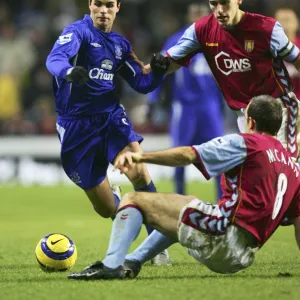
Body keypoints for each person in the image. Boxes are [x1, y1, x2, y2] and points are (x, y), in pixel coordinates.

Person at [67, 95, 300, 280]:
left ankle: (111, 264)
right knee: (187, 204)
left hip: (221, 237)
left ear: (251, 122)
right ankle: (132, 261)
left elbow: (189, 154)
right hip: (244, 255)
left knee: (133, 198)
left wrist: (140, 158)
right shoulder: (292, 166)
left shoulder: (248, 143)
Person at [46, 0, 170, 265]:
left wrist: (158, 73)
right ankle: (114, 200)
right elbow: (54, 59)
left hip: (111, 117)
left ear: (118, 7)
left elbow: (140, 82)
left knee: (139, 169)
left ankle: (157, 246)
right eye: (98, 4)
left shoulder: (119, 44)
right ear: (90, 5)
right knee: (106, 209)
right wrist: (68, 71)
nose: (103, 10)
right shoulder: (77, 32)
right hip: (76, 126)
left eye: (109, 5)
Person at [147, 0, 300, 159]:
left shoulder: (265, 28)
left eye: (225, 3)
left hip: (279, 109)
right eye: (214, 3)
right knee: (260, 173)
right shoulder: (202, 30)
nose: (219, 10)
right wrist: (157, 68)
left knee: (284, 169)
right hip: (245, 116)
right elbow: (170, 63)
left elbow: (297, 60)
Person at [148, 2, 224, 197]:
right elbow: (161, 69)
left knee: (218, 156)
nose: (197, 16)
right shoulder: (177, 39)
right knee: (179, 155)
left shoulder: (219, 38)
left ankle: (222, 201)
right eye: (194, 13)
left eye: (201, 13)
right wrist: (153, 98)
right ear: (189, 16)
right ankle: (180, 198)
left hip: (210, 106)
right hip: (185, 106)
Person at [274, 7, 300, 100]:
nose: (285, 25)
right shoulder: (268, 48)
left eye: (288, 20)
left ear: (297, 23)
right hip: (277, 102)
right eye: (281, 21)